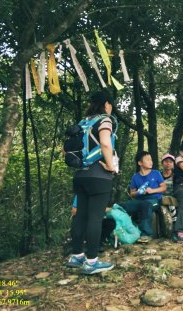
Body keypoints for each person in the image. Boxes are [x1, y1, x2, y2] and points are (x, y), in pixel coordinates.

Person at [66, 91, 116, 274]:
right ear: (106, 104)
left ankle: (77, 256)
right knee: (95, 218)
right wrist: (110, 166)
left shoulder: (82, 123)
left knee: (81, 216)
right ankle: (92, 261)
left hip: (80, 175)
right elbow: (105, 143)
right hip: (99, 176)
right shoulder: (105, 120)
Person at [119, 151, 166, 242]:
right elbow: (132, 193)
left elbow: (164, 187)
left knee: (145, 205)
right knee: (122, 206)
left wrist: (152, 190)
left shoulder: (156, 173)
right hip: (139, 200)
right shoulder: (135, 177)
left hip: (154, 200)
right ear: (140, 163)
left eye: (151, 160)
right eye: (147, 160)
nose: (151, 162)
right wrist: (139, 192)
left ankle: (146, 234)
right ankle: (124, 232)